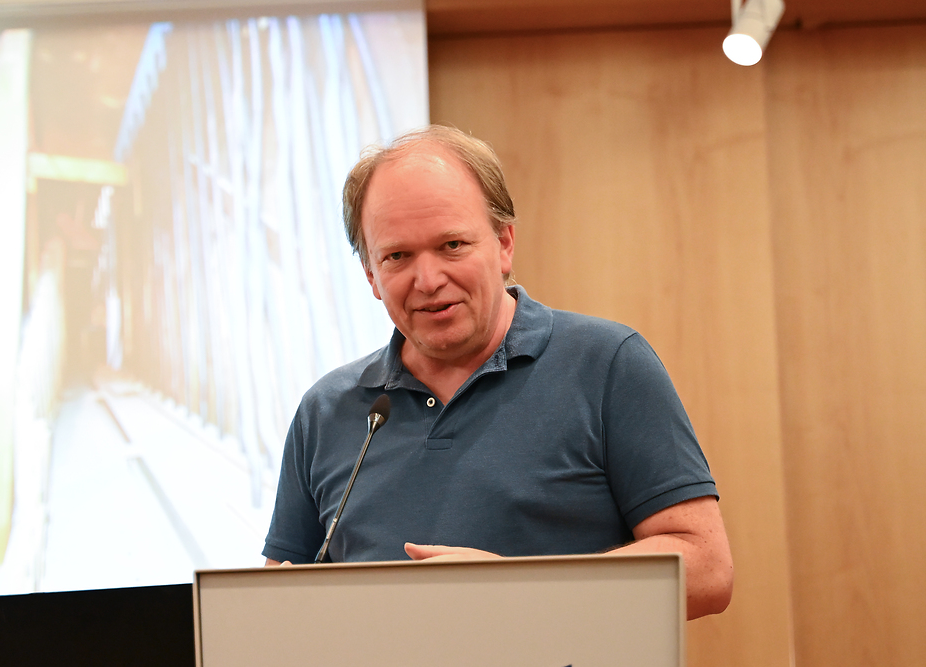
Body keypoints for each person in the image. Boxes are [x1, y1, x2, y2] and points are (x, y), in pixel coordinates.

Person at [262, 125, 733, 619]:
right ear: (371, 275)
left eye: (452, 245)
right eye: (397, 256)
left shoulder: (609, 364)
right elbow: (276, 604)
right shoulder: (327, 410)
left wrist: (514, 592)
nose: (428, 280)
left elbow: (706, 569)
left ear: (504, 244)